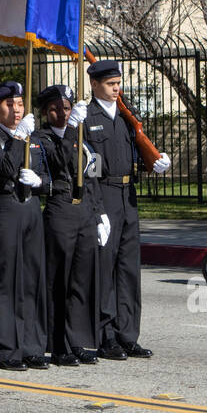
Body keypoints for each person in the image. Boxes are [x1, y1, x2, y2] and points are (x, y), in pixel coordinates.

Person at [83, 60, 170, 359]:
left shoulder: (125, 117)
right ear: (94, 85)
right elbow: (87, 170)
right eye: (110, 84)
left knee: (128, 268)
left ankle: (128, 334)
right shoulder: (87, 117)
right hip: (104, 194)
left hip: (127, 195)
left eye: (118, 83)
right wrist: (96, 210)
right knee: (104, 269)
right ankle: (106, 336)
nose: (116, 88)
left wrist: (153, 163)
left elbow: (133, 153)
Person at [37, 84, 110, 366]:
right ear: (46, 112)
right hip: (60, 210)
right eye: (55, 109)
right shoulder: (41, 138)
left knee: (81, 281)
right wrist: (71, 131)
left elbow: (90, 178)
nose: (62, 114)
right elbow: (59, 162)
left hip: (84, 212)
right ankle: (57, 344)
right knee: (60, 281)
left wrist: (100, 214)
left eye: (66, 108)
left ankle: (77, 340)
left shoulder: (78, 136)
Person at [0, 82, 51, 370]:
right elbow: (5, 169)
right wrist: (19, 139)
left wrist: (40, 183)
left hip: (31, 210)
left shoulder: (33, 138)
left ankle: (32, 345)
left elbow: (49, 177)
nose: (17, 109)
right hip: (5, 209)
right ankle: (6, 347)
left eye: (20, 103)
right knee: (7, 280)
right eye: (10, 104)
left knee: (31, 278)